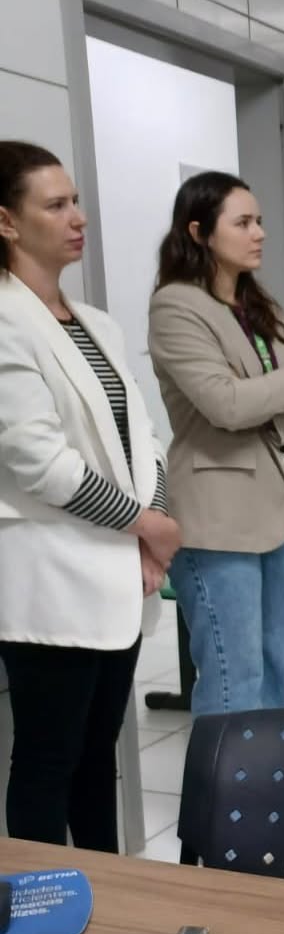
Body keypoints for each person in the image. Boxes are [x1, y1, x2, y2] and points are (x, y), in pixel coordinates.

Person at [0, 141, 181, 849]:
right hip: (50, 583)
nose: (78, 217)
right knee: (48, 761)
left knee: (98, 759)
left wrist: (153, 520)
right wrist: (146, 525)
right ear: (7, 222)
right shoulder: (6, 319)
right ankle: (38, 901)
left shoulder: (96, 323)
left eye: (75, 201)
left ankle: (110, 889)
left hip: (117, 571)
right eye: (56, 205)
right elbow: (42, 465)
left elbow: (145, 438)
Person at [148, 172, 284, 716]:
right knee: (235, 678)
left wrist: (278, 394)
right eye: (244, 222)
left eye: (260, 221)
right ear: (199, 231)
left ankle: (265, 775)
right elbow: (224, 405)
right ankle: (223, 778)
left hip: (279, 507)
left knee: (275, 668)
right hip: (216, 519)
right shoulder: (176, 306)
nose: (259, 233)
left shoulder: (261, 305)